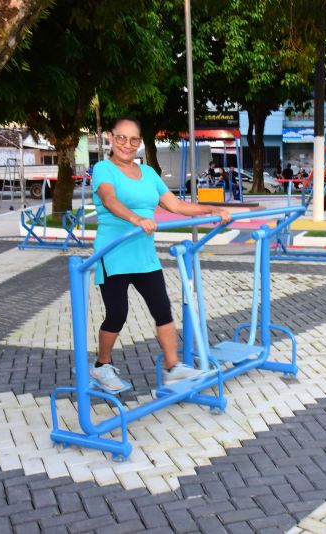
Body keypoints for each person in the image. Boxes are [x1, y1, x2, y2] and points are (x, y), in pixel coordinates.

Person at [90, 116, 232, 393]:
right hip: (113, 253)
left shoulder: (150, 174)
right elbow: (109, 200)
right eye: (121, 138)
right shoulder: (103, 169)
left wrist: (212, 211)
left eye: (133, 140)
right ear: (110, 137)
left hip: (143, 254)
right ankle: (101, 366)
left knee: (162, 309)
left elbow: (176, 205)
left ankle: (173, 368)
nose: (127, 145)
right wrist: (136, 219)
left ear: (139, 142)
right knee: (117, 313)